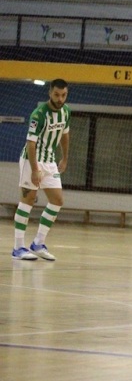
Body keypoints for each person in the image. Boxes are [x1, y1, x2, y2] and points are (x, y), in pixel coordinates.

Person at [12, 78, 71, 261]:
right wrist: (35, 169)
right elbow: (31, 143)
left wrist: (65, 158)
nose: (60, 99)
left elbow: (65, 135)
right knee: (27, 200)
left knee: (57, 200)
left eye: (63, 95)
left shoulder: (66, 112)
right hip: (32, 160)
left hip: (50, 161)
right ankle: (18, 247)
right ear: (50, 93)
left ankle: (38, 243)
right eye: (56, 94)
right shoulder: (39, 114)